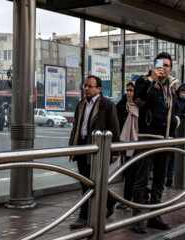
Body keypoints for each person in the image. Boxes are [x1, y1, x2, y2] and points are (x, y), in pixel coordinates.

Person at [131, 52, 180, 234]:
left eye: (167, 65)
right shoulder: (144, 81)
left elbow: (175, 108)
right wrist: (152, 80)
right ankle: (137, 217)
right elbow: (138, 102)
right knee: (142, 178)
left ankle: (154, 215)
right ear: (154, 65)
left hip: (166, 139)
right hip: (148, 137)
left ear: (171, 68)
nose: (164, 68)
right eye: (161, 64)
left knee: (160, 179)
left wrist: (176, 121)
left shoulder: (171, 86)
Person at [68, 75, 120, 229]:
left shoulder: (107, 104)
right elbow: (77, 126)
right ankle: (110, 200)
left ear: (99, 88)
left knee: (87, 183)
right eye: (85, 86)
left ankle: (83, 216)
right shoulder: (81, 104)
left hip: (97, 148)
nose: (86, 89)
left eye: (90, 86)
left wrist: (115, 151)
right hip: (82, 145)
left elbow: (114, 127)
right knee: (86, 181)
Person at [116, 82, 137, 211]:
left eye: (132, 90)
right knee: (128, 173)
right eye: (127, 90)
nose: (129, 93)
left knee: (134, 174)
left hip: (138, 144)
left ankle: (135, 201)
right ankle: (127, 200)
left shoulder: (140, 105)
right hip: (126, 144)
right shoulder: (123, 105)